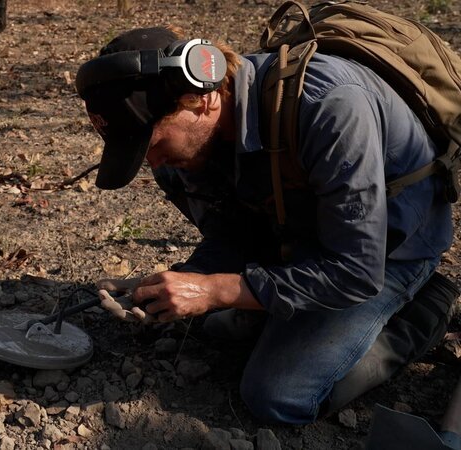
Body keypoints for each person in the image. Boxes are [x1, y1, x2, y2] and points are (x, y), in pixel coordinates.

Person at [75, 26, 459, 425]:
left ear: (200, 99)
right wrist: (181, 280)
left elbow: (357, 271)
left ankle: (424, 310)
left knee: (278, 395)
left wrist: (215, 290)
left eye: (153, 144)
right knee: (220, 331)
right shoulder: (192, 142)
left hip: (389, 251)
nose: (153, 164)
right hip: (304, 235)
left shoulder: (328, 107)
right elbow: (231, 232)